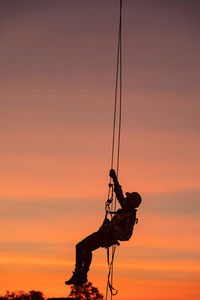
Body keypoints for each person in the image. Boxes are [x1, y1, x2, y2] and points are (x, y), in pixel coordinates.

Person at [65, 169, 142, 286]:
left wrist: (112, 229)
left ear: (131, 202)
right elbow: (119, 193)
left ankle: (79, 275)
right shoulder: (126, 208)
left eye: (128, 198)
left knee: (80, 247)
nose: (125, 199)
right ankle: (81, 275)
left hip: (106, 236)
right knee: (85, 249)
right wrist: (114, 178)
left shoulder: (129, 216)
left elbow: (127, 235)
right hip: (104, 234)